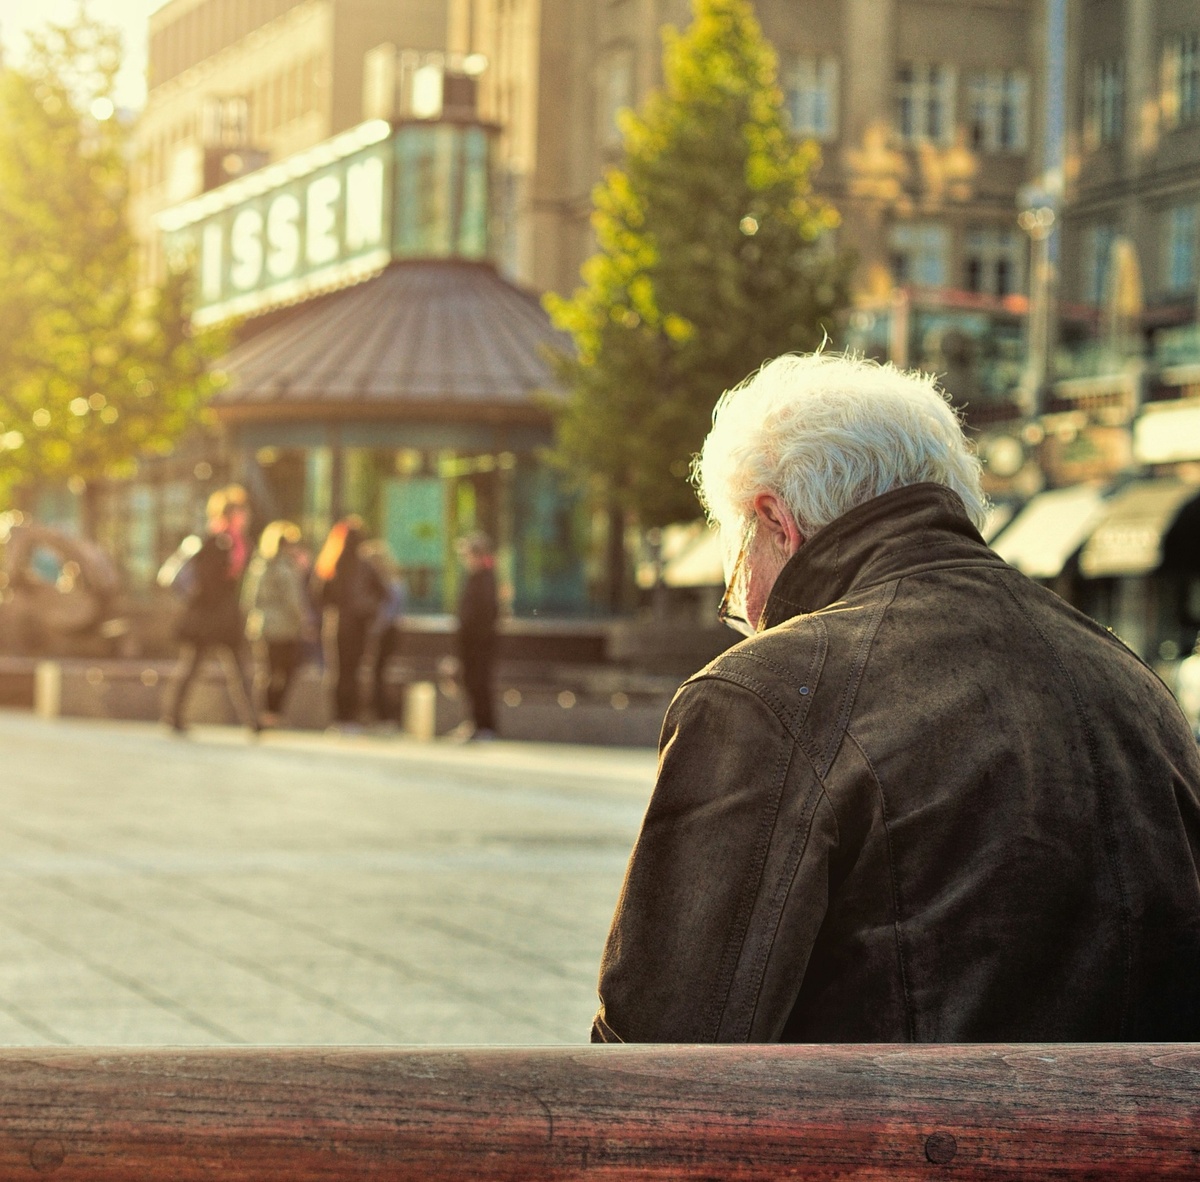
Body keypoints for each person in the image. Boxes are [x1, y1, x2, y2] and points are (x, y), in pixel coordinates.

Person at [592, 351, 1200, 1044]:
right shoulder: (1133, 682)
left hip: (890, 1119)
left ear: (776, 522)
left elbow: (660, 1046)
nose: (748, 615)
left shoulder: (766, 693)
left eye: (735, 579)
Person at [164, 485, 260, 734]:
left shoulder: (239, 543)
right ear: (230, 514)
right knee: (193, 666)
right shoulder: (214, 541)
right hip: (208, 617)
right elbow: (207, 581)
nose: (245, 517)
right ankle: (173, 715)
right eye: (241, 512)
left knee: (240, 668)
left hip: (225, 616)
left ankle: (253, 720)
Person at [314, 518, 387, 727]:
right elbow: (383, 593)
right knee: (353, 671)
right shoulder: (364, 565)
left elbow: (319, 595)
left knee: (339, 671)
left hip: (337, 624)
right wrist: (367, 608)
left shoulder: (331, 562)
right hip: (358, 625)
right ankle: (350, 716)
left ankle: (340, 716)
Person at [241, 520, 312, 727]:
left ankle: (264, 713)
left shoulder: (258, 565)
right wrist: (305, 621)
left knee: (268, 670)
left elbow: (248, 599)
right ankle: (273, 713)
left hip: (262, 625)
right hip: (285, 627)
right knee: (286, 670)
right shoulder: (285, 568)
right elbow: (294, 600)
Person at [359, 540, 408, 726]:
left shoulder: (390, 584)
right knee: (377, 673)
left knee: (379, 673)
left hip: (385, 632)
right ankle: (379, 714)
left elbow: (388, 613)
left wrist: (373, 631)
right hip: (386, 631)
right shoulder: (392, 583)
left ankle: (383, 715)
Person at [456, 531, 499, 741]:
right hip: (472, 640)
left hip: (479, 642)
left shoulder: (485, 579)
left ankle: (484, 725)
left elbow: (484, 614)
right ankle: (476, 723)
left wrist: (474, 635)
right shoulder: (475, 578)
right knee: (472, 682)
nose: (465, 560)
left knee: (479, 682)